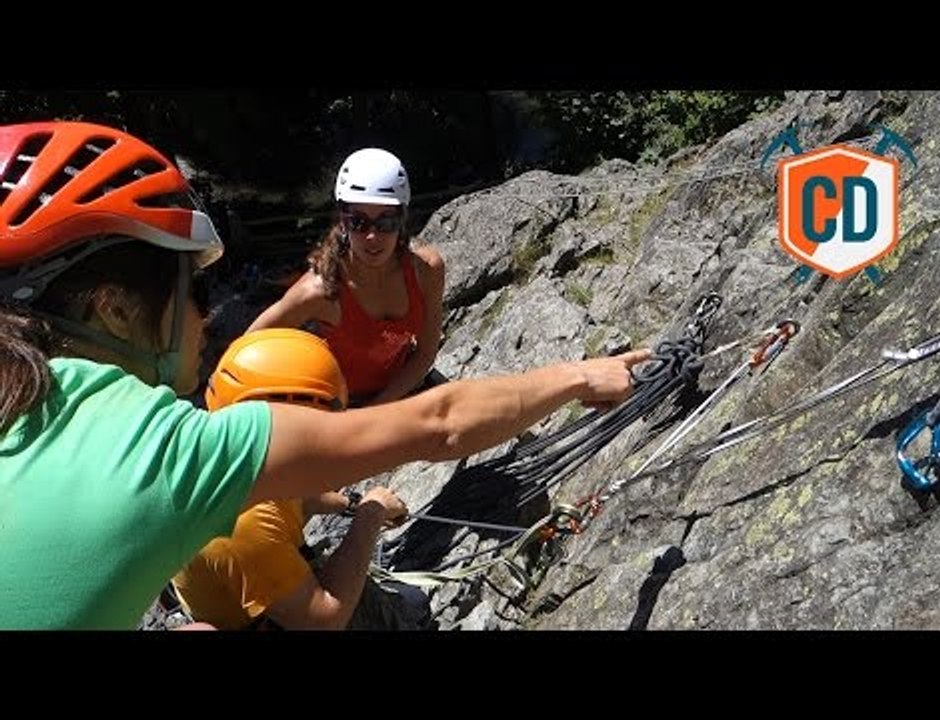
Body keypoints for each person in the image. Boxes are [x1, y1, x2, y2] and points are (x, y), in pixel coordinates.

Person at [0, 120, 650, 629]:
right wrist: (578, 377)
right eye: (193, 292)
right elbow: (442, 424)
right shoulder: (165, 451)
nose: (207, 316)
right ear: (113, 309)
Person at [172, 328, 420, 630]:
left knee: (411, 603)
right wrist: (370, 516)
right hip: (266, 620)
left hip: (265, 585)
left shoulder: (239, 459)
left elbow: (297, 498)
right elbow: (324, 622)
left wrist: (350, 504)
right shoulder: (241, 522)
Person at [246, 148, 446, 407]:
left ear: (402, 218)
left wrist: (378, 408)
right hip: (338, 405)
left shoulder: (427, 271)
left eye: (386, 222)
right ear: (343, 220)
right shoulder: (319, 291)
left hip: (398, 391)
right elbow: (246, 349)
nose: (372, 236)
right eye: (358, 223)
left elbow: (425, 354)